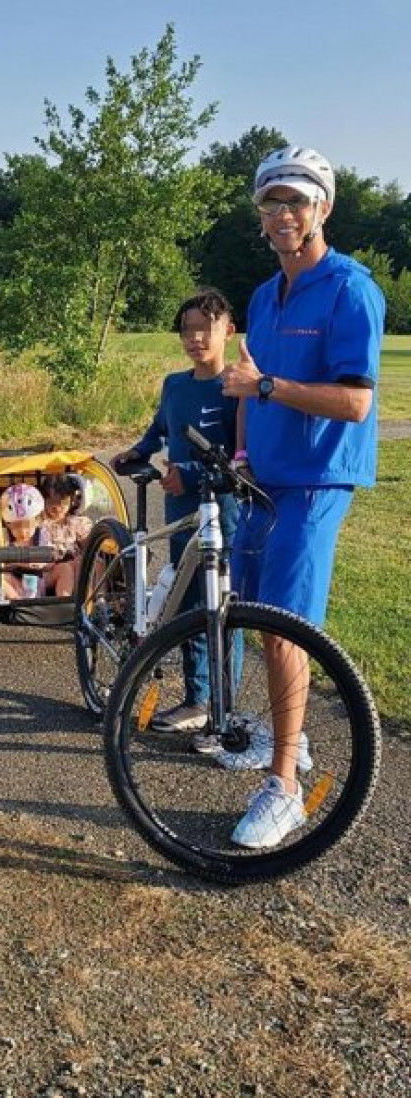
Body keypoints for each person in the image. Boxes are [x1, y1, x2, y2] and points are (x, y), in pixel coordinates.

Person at [219, 146, 385, 849]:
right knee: (260, 619)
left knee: (287, 626)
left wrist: (266, 389)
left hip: (317, 483)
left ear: (323, 208)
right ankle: (293, 740)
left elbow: (354, 401)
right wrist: (242, 455)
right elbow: (254, 380)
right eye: (272, 202)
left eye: (296, 200)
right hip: (265, 479)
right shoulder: (264, 294)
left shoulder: (351, 289)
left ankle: (284, 787)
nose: (283, 214)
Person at [114, 288, 240, 732]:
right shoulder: (175, 385)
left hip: (224, 514)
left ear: (229, 330)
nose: (195, 337)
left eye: (205, 327)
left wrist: (188, 469)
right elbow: (157, 432)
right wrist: (137, 451)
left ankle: (226, 706)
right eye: (187, 329)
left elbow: (237, 453)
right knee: (187, 605)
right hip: (182, 512)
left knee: (223, 608)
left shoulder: (236, 387)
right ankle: (197, 699)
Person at [39, 473, 92, 596]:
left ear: (72, 500)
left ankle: (95, 601)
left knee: (92, 562)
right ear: (44, 501)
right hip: (49, 570)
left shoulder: (75, 522)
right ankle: (66, 603)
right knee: (66, 568)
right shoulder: (40, 522)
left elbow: (89, 544)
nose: (57, 507)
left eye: (63, 502)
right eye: (52, 502)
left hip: (74, 565)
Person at [0, 484, 49, 599]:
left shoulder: (42, 535)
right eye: (16, 526)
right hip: (14, 580)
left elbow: (51, 560)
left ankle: (63, 602)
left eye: (28, 525)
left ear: (37, 521)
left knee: (63, 569)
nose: (23, 531)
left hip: (37, 578)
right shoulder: (3, 537)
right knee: (1, 577)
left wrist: (43, 563)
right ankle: (17, 603)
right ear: (8, 524)